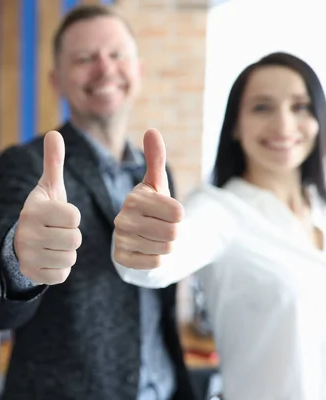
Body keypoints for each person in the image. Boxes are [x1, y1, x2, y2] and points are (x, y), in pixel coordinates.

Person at [0, 4, 194, 399]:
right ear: (57, 80)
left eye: (117, 55)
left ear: (138, 70)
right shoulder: (30, 164)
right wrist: (19, 258)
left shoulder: (159, 174)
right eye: (84, 58)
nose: (104, 69)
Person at [112, 52, 326, 399]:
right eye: (262, 107)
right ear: (236, 126)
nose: (284, 125)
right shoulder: (220, 210)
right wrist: (143, 244)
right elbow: (168, 255)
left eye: (300, 106)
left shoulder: (320, 207)